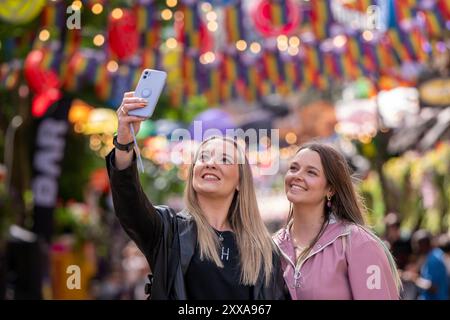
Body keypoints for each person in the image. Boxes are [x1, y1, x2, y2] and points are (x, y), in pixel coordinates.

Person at [105, 91, 288, 300]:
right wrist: (124, 141)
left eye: (225, 159)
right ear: (193, 172)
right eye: (203, 157)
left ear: (240, 181)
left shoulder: (264, 251)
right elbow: (128, 202)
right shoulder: (169, 231)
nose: (210, 163)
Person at [273, 142, 401, 299]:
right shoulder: (272, 247)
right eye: (293, 168)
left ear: (331, 189)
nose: (297, 175)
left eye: (311, 172)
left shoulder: (357, 242)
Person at [403, 230, 449, 300]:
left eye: (416, 244)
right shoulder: (434, 255)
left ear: (423, 244)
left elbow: (433, 287)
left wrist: (413, 278)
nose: (415, 248)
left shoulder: (434, 260)